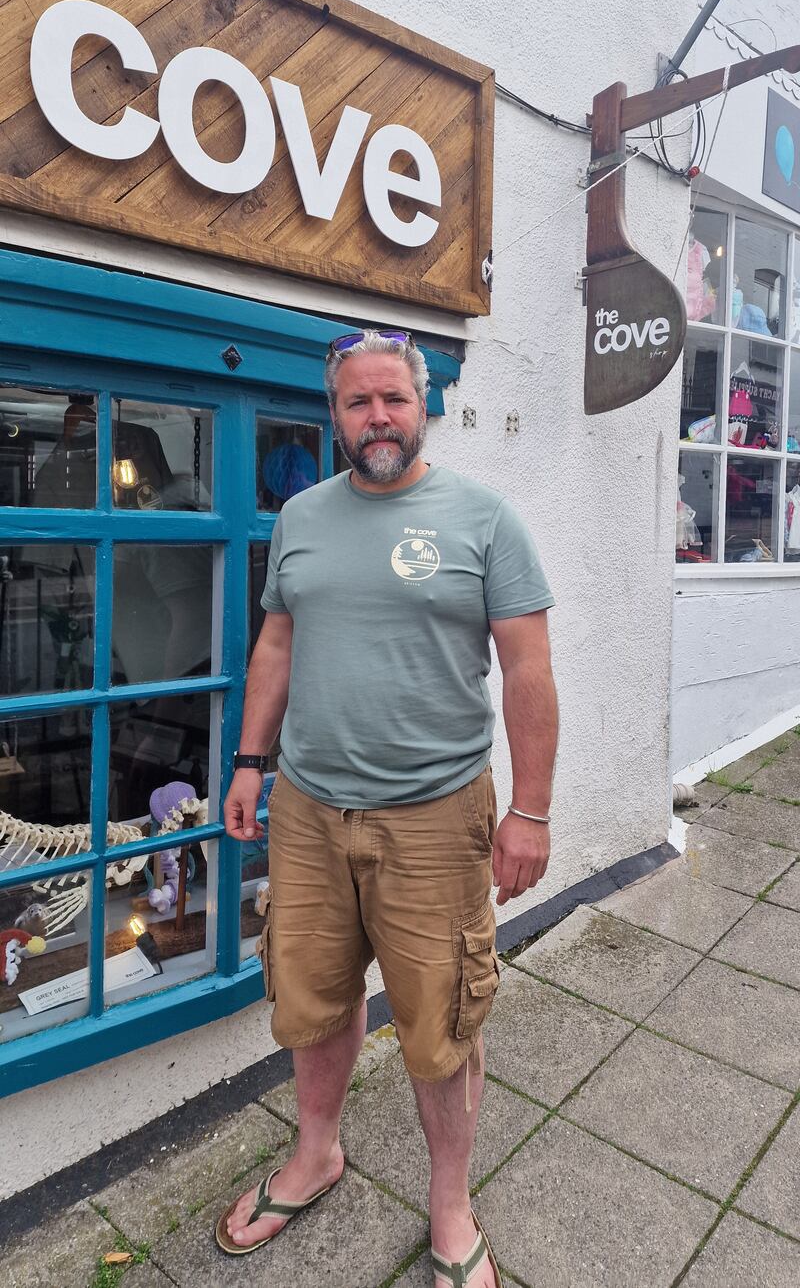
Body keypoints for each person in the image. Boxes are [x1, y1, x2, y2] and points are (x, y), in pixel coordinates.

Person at [218, 329, 558, 1286]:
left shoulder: (485, 519)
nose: (377, 418)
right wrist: (250, 759)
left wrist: (528, 810)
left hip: (436, 822)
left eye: (394, 400)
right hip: (310, 812)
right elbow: (277, 644)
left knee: (439, 1021)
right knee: (313, 1000)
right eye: (358, 402)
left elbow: (529, 669)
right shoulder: (301, 517)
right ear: (334, 416)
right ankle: (316, 1151)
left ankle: (450, 1206)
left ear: (424, 406)